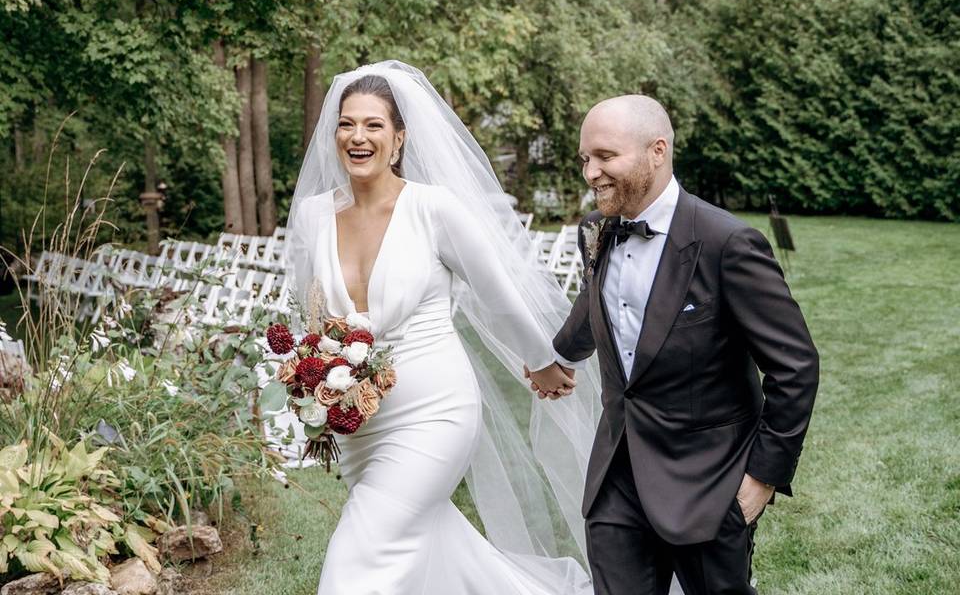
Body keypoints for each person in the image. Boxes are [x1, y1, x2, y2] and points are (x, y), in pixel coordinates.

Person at [286, 61, 599, 594]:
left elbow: (498, 294)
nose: (357, 137)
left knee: (359, 559)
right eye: (346, 124)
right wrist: (313, 381)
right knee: (428, 550)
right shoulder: (315, 214)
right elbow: (307, 314)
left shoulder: (433, 209)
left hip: (435, 413)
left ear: (399, 138)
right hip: (361, 421)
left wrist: (543, 361)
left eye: (373, 125)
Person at [548, 95, 820, 594]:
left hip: (709, 483)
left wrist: (762, 477)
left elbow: (795, 366)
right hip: (618, 475)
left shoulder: (728, 244)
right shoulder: (595, 230)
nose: (590, 172)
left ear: (658, 150)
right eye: (585, 159)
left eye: (606, 156)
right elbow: (597, 305)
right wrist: (560, 357)